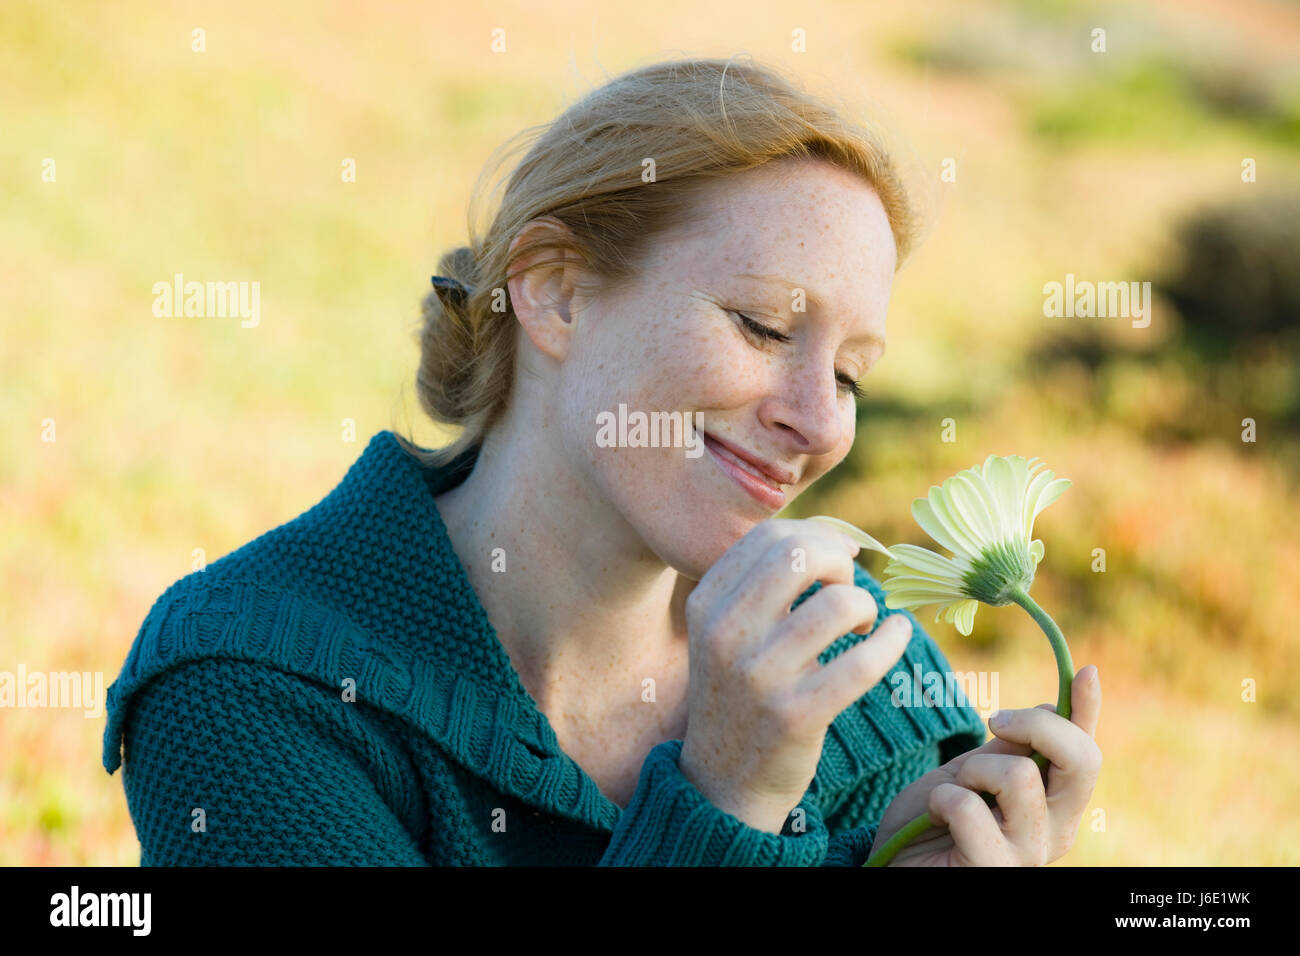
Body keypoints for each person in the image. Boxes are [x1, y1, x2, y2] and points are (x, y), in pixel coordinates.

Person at [103, 55, 1101, 866]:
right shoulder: (250, 680)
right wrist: (723, 802)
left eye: (849, 374)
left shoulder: (863, 671)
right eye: (762, 325)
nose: (817, 420)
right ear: (553, 291)